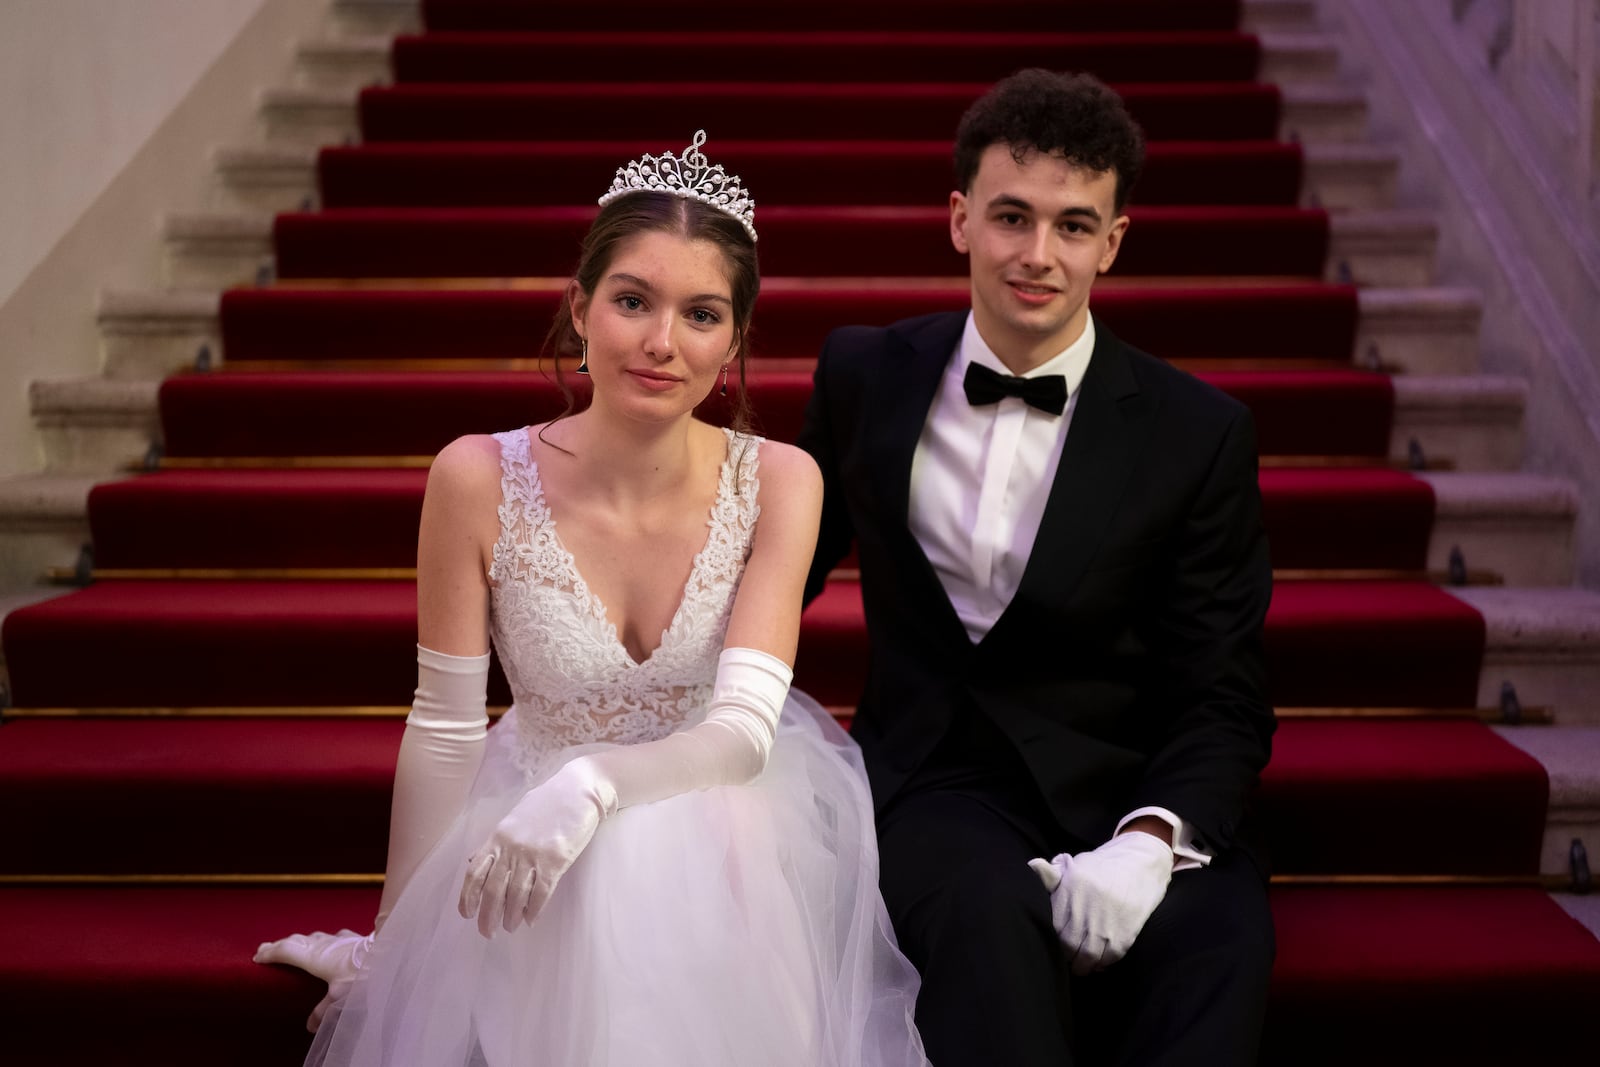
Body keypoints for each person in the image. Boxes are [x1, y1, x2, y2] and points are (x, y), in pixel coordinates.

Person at [256, 132, 928, 1067]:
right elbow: (445, 729)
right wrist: (396, 951)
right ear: (580, 309)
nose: (662, 342)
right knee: (586, 875)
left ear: (734, 337)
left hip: (724, 816)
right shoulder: (476, 474)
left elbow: (742, 733)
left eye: (701, 313)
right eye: (632, 301)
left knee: (631, 856)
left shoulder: (782, 478)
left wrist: (597, 783)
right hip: (525, 826)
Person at [796, 70, 1277, 1065]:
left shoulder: (1198, 432)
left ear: (1112, 241)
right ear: (959, 218)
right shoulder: (860, 374)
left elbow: (1222, 688)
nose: (1038, 254)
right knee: (985, 927)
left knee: (1212, 952)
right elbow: (777, 570)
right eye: (1011, 216)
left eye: (1072, 225)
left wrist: (1150, 839)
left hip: (1128, 774)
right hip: (936, 778)